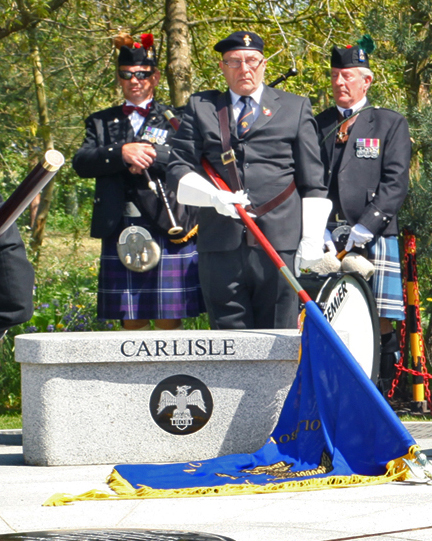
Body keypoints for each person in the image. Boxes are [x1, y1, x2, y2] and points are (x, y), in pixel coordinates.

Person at [162, 30, 331, 329]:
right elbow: (178, 167)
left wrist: (312, 238)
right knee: (228, 340)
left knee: (279, 336)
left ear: (264, 64)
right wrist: (212, 197)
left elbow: (313, 180)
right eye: (235, 62)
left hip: (279, 241)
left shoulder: (295, 107)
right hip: (220, 242)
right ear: (222, 67)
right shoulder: (202, 107)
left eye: (252, 60)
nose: (245, 69)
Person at [73, 33, 202, 330]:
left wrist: (151, 155)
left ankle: (172, 376)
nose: (134, 80)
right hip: (119, 223)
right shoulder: (100, 121)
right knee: (130, 317)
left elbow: (193, 157)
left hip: (167, 218)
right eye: (126, 74)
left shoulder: (177, 117)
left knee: (169, 317)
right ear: (119, 78)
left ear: (155, 77)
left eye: (142, 74)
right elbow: (82, 162)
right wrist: (121, 153)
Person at [313, 36, 412, 378]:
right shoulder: (318, 123)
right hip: (326, 235)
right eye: (336, 75)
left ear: (366, 80)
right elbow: (309, 177)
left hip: (375, 232)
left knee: (380, 316)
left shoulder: (389, 123)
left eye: (348, 75)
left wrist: (367, 225)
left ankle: (381, 393)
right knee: (327, 311)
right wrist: (318, 227)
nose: (340, 82)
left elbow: (396, 181)